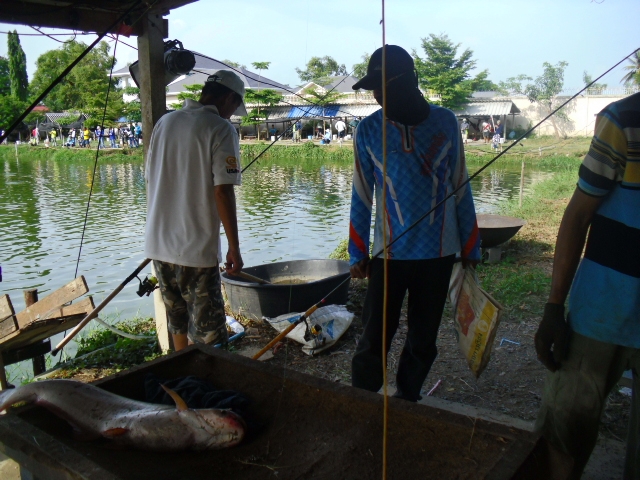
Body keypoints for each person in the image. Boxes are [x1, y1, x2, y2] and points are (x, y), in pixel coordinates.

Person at [348, 45, 481, 402]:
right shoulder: (368, 130)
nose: (376, 95)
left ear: (409, 83)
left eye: (383, 87)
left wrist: (471, 245)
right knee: (374, 337)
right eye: (373, 88)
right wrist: (357, 251)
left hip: (438, 255)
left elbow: (460, 186)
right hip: (387, 256)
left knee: (423, 340)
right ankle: (360, 400)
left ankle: (408, 397)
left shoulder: (446, 122)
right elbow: (361, 195)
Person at [534, 92, 640, 479]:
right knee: (561, 442)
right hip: (599, 313)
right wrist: (553, 309)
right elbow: (578, 215)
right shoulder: (624, 119)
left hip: (602, 311)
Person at [145, 70, 247, 351]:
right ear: (228, 98)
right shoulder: (220, 128)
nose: (233, 114)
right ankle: (205, 390)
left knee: (177, 322)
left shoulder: (165, 123)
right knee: (209, 335)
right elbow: (222, 190)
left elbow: (151, 177)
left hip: (158, 247)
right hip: (194, 251)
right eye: (235, 107)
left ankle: (184, 383)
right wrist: (234, 249)